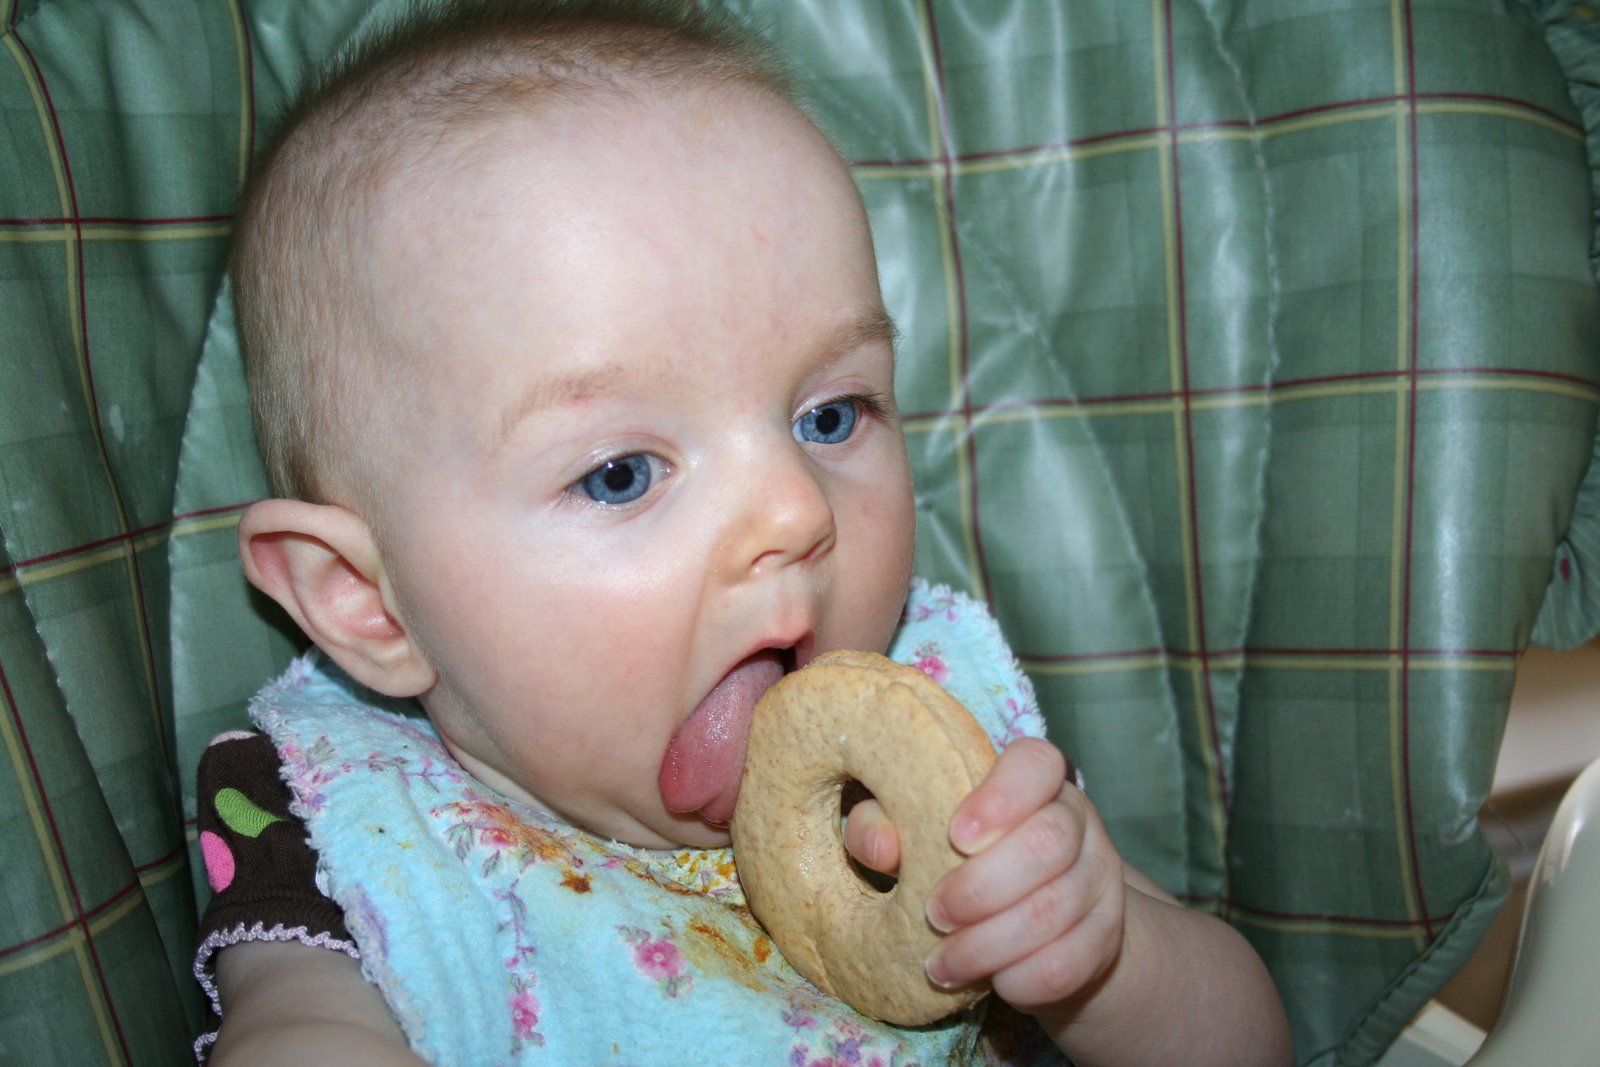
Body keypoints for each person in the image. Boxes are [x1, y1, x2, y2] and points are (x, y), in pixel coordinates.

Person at [194, 1, 1293, 1064]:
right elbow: (295, 1032)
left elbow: (1254, 1042)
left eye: (831, 416)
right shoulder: (338, 832)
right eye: (620, 473)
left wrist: (1103, 949)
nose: (795, 509)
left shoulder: (955, 744)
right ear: (365, 597)